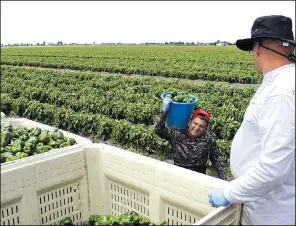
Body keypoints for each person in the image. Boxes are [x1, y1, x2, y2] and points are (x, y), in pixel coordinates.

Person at [208, 15, 295, 225]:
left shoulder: (280, 92)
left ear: (257, 48)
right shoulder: (284, 81)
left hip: (271, 213)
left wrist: (230, 193)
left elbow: (273, 168)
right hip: (264, 204)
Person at [155, 97, 228, 181]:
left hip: (198, 179)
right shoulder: (177, 133)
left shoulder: (208, 139)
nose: (197, 128)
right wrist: (164, 111)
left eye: (201, 126)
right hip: (177, 176)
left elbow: (217, 160)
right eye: (195, 123)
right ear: (190, 122)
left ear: (205, 128)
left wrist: (224, 179)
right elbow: (158, 130)